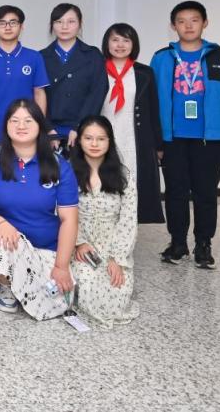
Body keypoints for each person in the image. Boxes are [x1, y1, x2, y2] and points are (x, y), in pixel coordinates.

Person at [0, 99, 78, 320]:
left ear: (40, 125)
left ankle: (22, 276)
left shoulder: (59, 166)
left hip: (46, 247)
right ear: (6, 125)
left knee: (58, 300)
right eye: (14, 120)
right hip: (6, 239)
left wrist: (61, 266)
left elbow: (69, 219)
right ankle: (6, 284)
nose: (21, 126)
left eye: (28, 120)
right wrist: (1, 223)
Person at [150, 0, 220, 269]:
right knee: (175, 191)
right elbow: (151, 99)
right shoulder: (162, 58)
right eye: (181, 21)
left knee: (205, 192)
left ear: (205, 23)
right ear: (173, 26)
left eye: (194, 20)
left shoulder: (219, 56)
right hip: (172, 138)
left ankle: (204, 244)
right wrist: (156, 139)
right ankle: (178, 243)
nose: (188, 26)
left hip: (209, 138)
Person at [69, 116, 140, 329]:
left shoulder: (124, 176)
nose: (94, 144)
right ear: (79, 141)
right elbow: (61, 214)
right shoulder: (68, 174)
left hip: (114, 248)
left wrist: (116, 258)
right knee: (89, 286)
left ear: (110, 142)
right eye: (88, 138)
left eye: (101, 139)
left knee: (117, 292)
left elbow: (128, 221)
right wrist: (79, 242)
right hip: (81, 247)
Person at [100, 23, 164, 224]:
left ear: (133, 44)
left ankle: (128, 229)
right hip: (104, 135)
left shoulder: (145, 72)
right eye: (115, 40)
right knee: (104, 183)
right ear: (107, 43)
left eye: (126, 40)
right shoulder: (96, 69)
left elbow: (154, 109)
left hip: (135, 137)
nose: (120, 45)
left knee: (133, 184)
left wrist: (159, 144)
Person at [0, 5, 49, 152]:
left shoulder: (34, 57)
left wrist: (40, 126)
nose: (7, 27)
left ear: (21, 26)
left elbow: (39, 93)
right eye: (2, 23)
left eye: (13, 22)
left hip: (26, 131)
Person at [41, 3, 106, 149]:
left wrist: (80, 127)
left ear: (80, 24)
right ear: (52, 25)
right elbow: (37, 96)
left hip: (84, 129)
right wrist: (48, 129)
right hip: (50, 130)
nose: (64, 27)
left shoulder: (93, 55)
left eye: (71, 21)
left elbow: (97, 93)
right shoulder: (41, 57)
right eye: (59, 22)